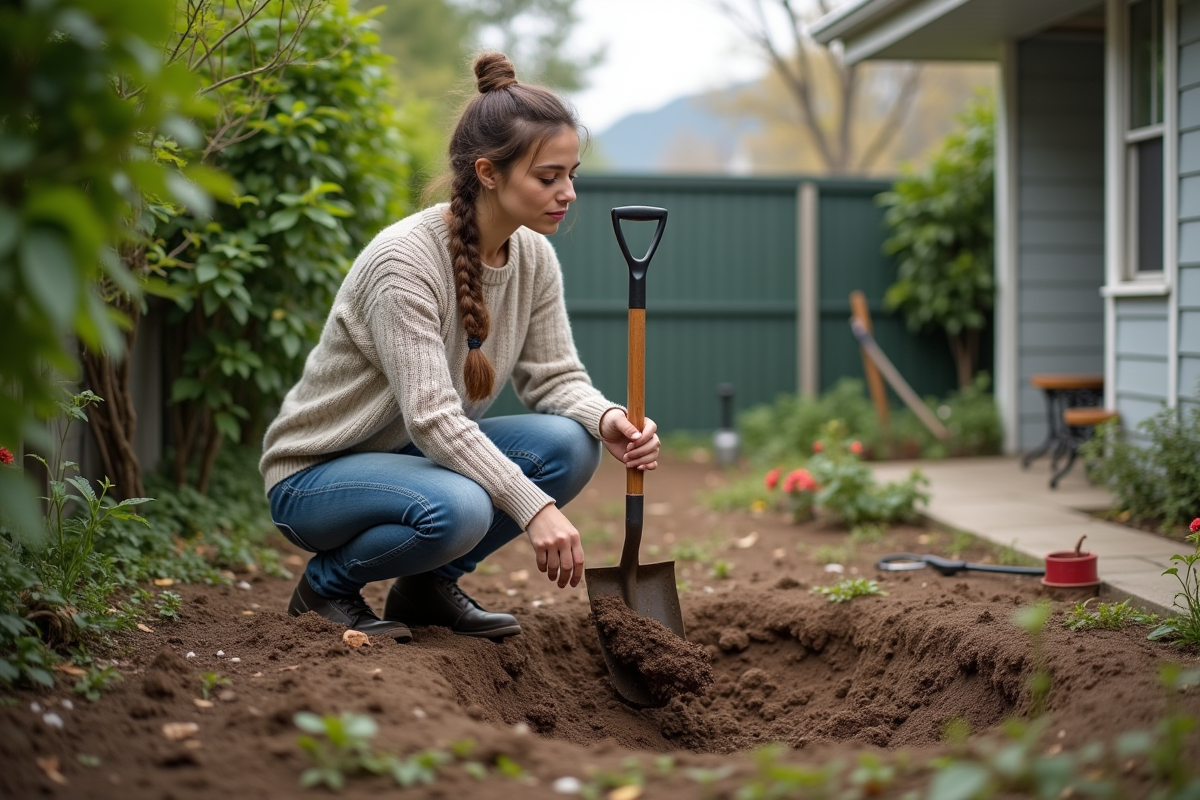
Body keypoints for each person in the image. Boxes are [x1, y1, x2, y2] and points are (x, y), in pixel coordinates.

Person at [259, 52, 660, 643]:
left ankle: (426, 587)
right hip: (318, 477)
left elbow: (554, 379)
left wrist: (607, 419)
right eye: (548, 177)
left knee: (572, 445)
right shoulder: (403, 263)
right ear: (488, 173)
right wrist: (534, 507)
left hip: (412, 461)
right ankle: (326, 588)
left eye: (572, 175)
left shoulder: (533, 257)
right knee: (461, 506)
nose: (568, 193)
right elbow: (433, 419)